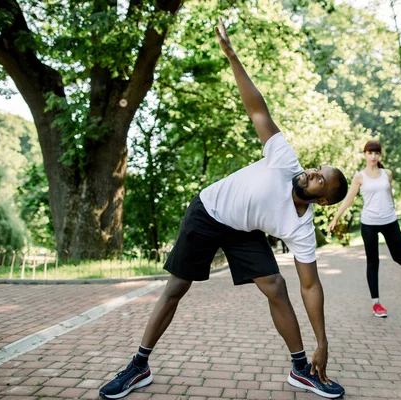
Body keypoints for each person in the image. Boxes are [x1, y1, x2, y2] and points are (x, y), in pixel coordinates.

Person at [99, 18, 347, 400]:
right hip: (209, 210)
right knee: (176, 288)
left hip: (242, 229)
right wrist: (232, 56)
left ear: (325, 199)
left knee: (277, 287)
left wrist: (323, 342)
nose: (312, 173)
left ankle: (301, 369)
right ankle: (138, 365)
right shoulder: (285, 160)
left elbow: (310, 285)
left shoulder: (301, 228)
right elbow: (258, 111)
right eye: (318, 169)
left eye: (320, 180)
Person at [328, 140, 401, 318]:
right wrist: (336, 217)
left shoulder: (387, 173)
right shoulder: (359, 177)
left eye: (376, 153)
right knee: (373, 262)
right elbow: (349, 199)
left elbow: (389, 194)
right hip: (369, 223)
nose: (373, 156)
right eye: (370, 153)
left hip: (390, 220)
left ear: (380, 155)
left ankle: (396, 254)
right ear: (364, 154)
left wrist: (393, 208)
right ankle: (376, 303)